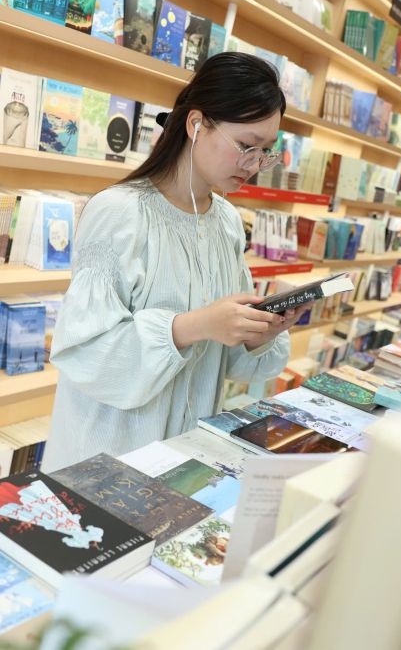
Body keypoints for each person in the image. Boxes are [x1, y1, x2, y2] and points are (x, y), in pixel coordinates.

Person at [41, 53, 303, 470]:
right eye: (247, 146)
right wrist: (194, 325)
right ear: (196, 124)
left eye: (266, 152)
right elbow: (85, 354)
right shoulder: (119, 212)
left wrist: (260, 329)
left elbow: (230, 362)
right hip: (104, 462)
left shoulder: (228, 223)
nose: (254, 165)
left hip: (184, 459)